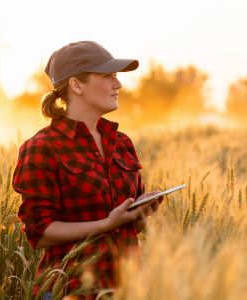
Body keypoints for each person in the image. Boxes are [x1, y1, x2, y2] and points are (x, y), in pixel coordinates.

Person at [12, 41, 163, 299]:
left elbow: (124, 228)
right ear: (76, 85)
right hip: (70, 290)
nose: (118, 84)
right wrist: (106, 223)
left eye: (116, 76)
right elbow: (40, 232)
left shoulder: (122, 143)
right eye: (107, 76)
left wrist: (139, 214)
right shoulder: (43, 148)